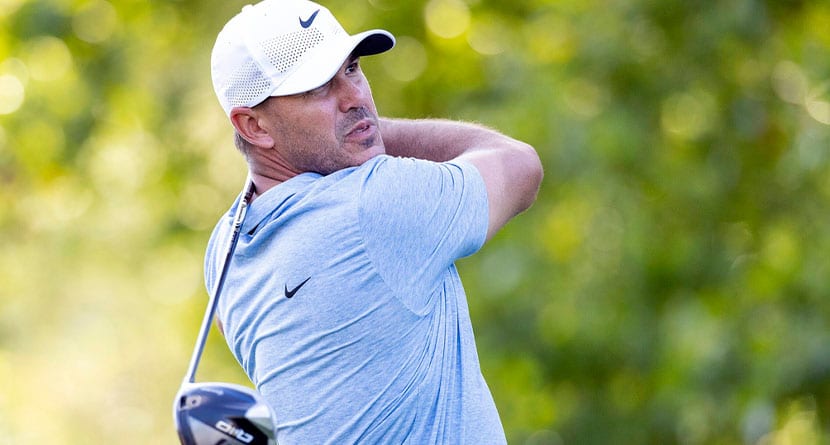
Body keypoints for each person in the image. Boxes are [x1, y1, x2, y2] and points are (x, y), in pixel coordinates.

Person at [205, 0, 543, 443]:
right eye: (317, 88)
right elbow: (520, 165)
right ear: (253, 126)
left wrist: (350, 129)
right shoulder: (373, 203)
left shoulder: (223, 250)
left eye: (352, 69)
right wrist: (369, 131)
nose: (356, 97)